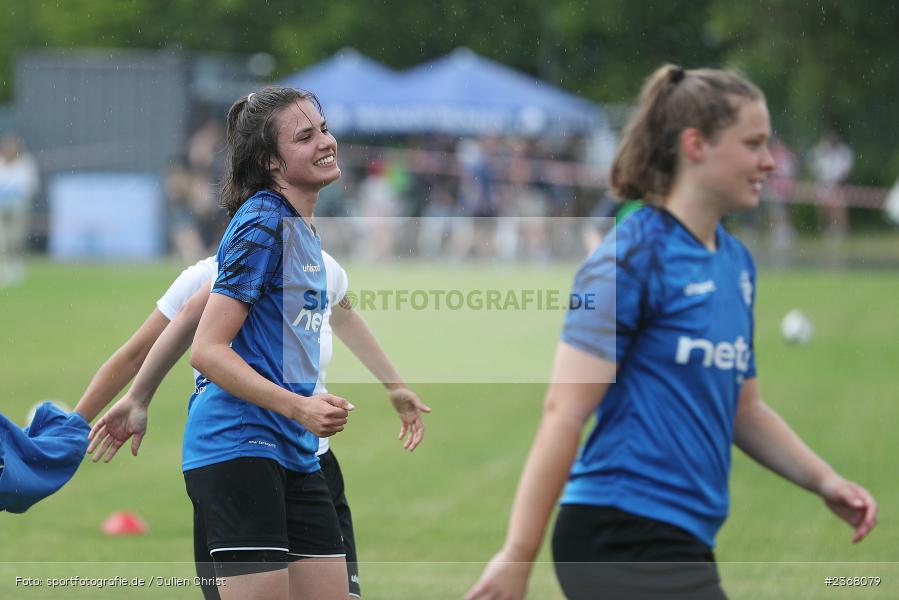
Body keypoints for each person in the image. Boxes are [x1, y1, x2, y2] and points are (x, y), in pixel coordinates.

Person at [466, 65, 877, 600]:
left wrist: (824, 480)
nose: (769, 162)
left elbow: (743, 409)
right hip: (619, 530)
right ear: (696, 145)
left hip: (681, 537)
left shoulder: (736, 264)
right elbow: (563, 411)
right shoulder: (631, 255)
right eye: (753, 144)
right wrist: (518, 555)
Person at [178, 86, 415, 600]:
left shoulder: (302, 229)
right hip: (238, 445)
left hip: (296, 450)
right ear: (271, 161)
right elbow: (207, 349)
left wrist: (393, 386)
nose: (325, 142)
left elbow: (342, 312)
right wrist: (300, 407)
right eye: (305, 137)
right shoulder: (262, 222)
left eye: (323, 129)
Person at [87, 250, 427, 600]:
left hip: (312, 461)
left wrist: (395, 386)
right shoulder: (208, 275)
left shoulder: (324, 268)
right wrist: (72, 426)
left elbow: (345, 315)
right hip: (243, 456)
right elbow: (138, 352)